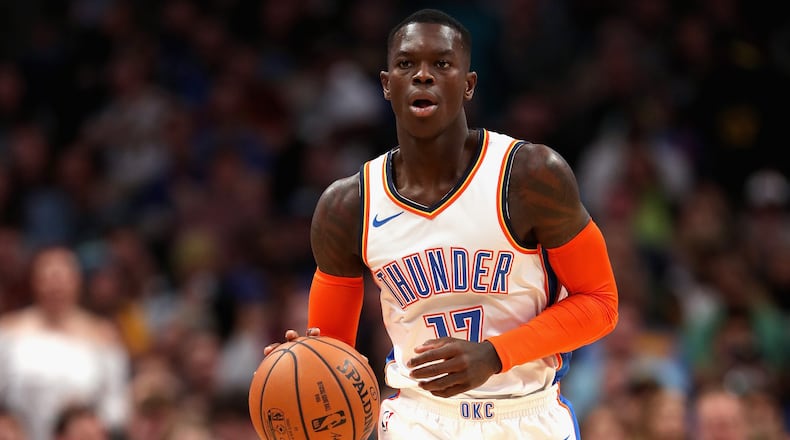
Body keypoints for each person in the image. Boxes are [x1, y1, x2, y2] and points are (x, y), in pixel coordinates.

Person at [264, 8, 619, 439]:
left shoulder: (531, 175)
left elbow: (600, 303)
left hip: (526, 416)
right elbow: (333, 354)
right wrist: (301, 367)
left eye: (442, 64)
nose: (423, 76)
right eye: (406, 64)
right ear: (386, 84)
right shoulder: (347, 206)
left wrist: (493, 355)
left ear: (468, 85)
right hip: (419, 420)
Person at [0, 247, 129, 440]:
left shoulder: (102, 335)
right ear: (34, 282)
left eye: (61, 278)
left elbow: (115, 405)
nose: (55, 286)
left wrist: (88, 429)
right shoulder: (8, 331)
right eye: (48, 278)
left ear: (76, 281)